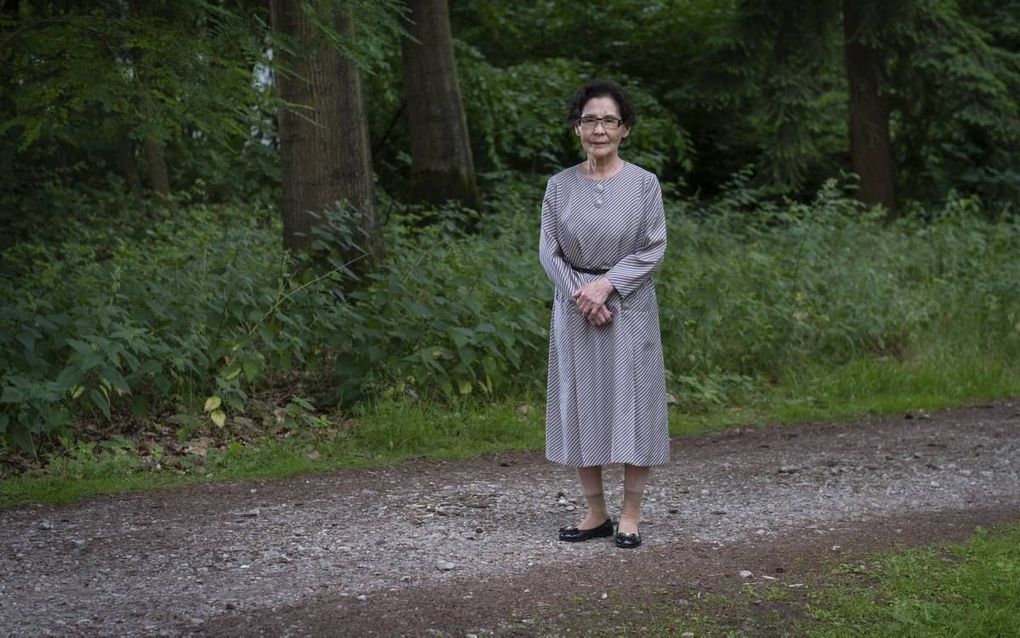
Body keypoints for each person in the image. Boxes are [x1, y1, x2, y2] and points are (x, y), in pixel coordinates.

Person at [539, 79, 669, 549]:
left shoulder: (643, 184)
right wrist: (583, 293)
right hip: (575, 310)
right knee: (582, 405)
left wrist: (607, 285)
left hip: (629, 307)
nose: (599, 129)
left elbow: (654, 247)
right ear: (577, 128)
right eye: (589, 119)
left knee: (633, 405)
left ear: (625, 129)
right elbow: (548, 252)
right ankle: (596, 512)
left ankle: (631, 514)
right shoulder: (558, 187)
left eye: (608, 120)